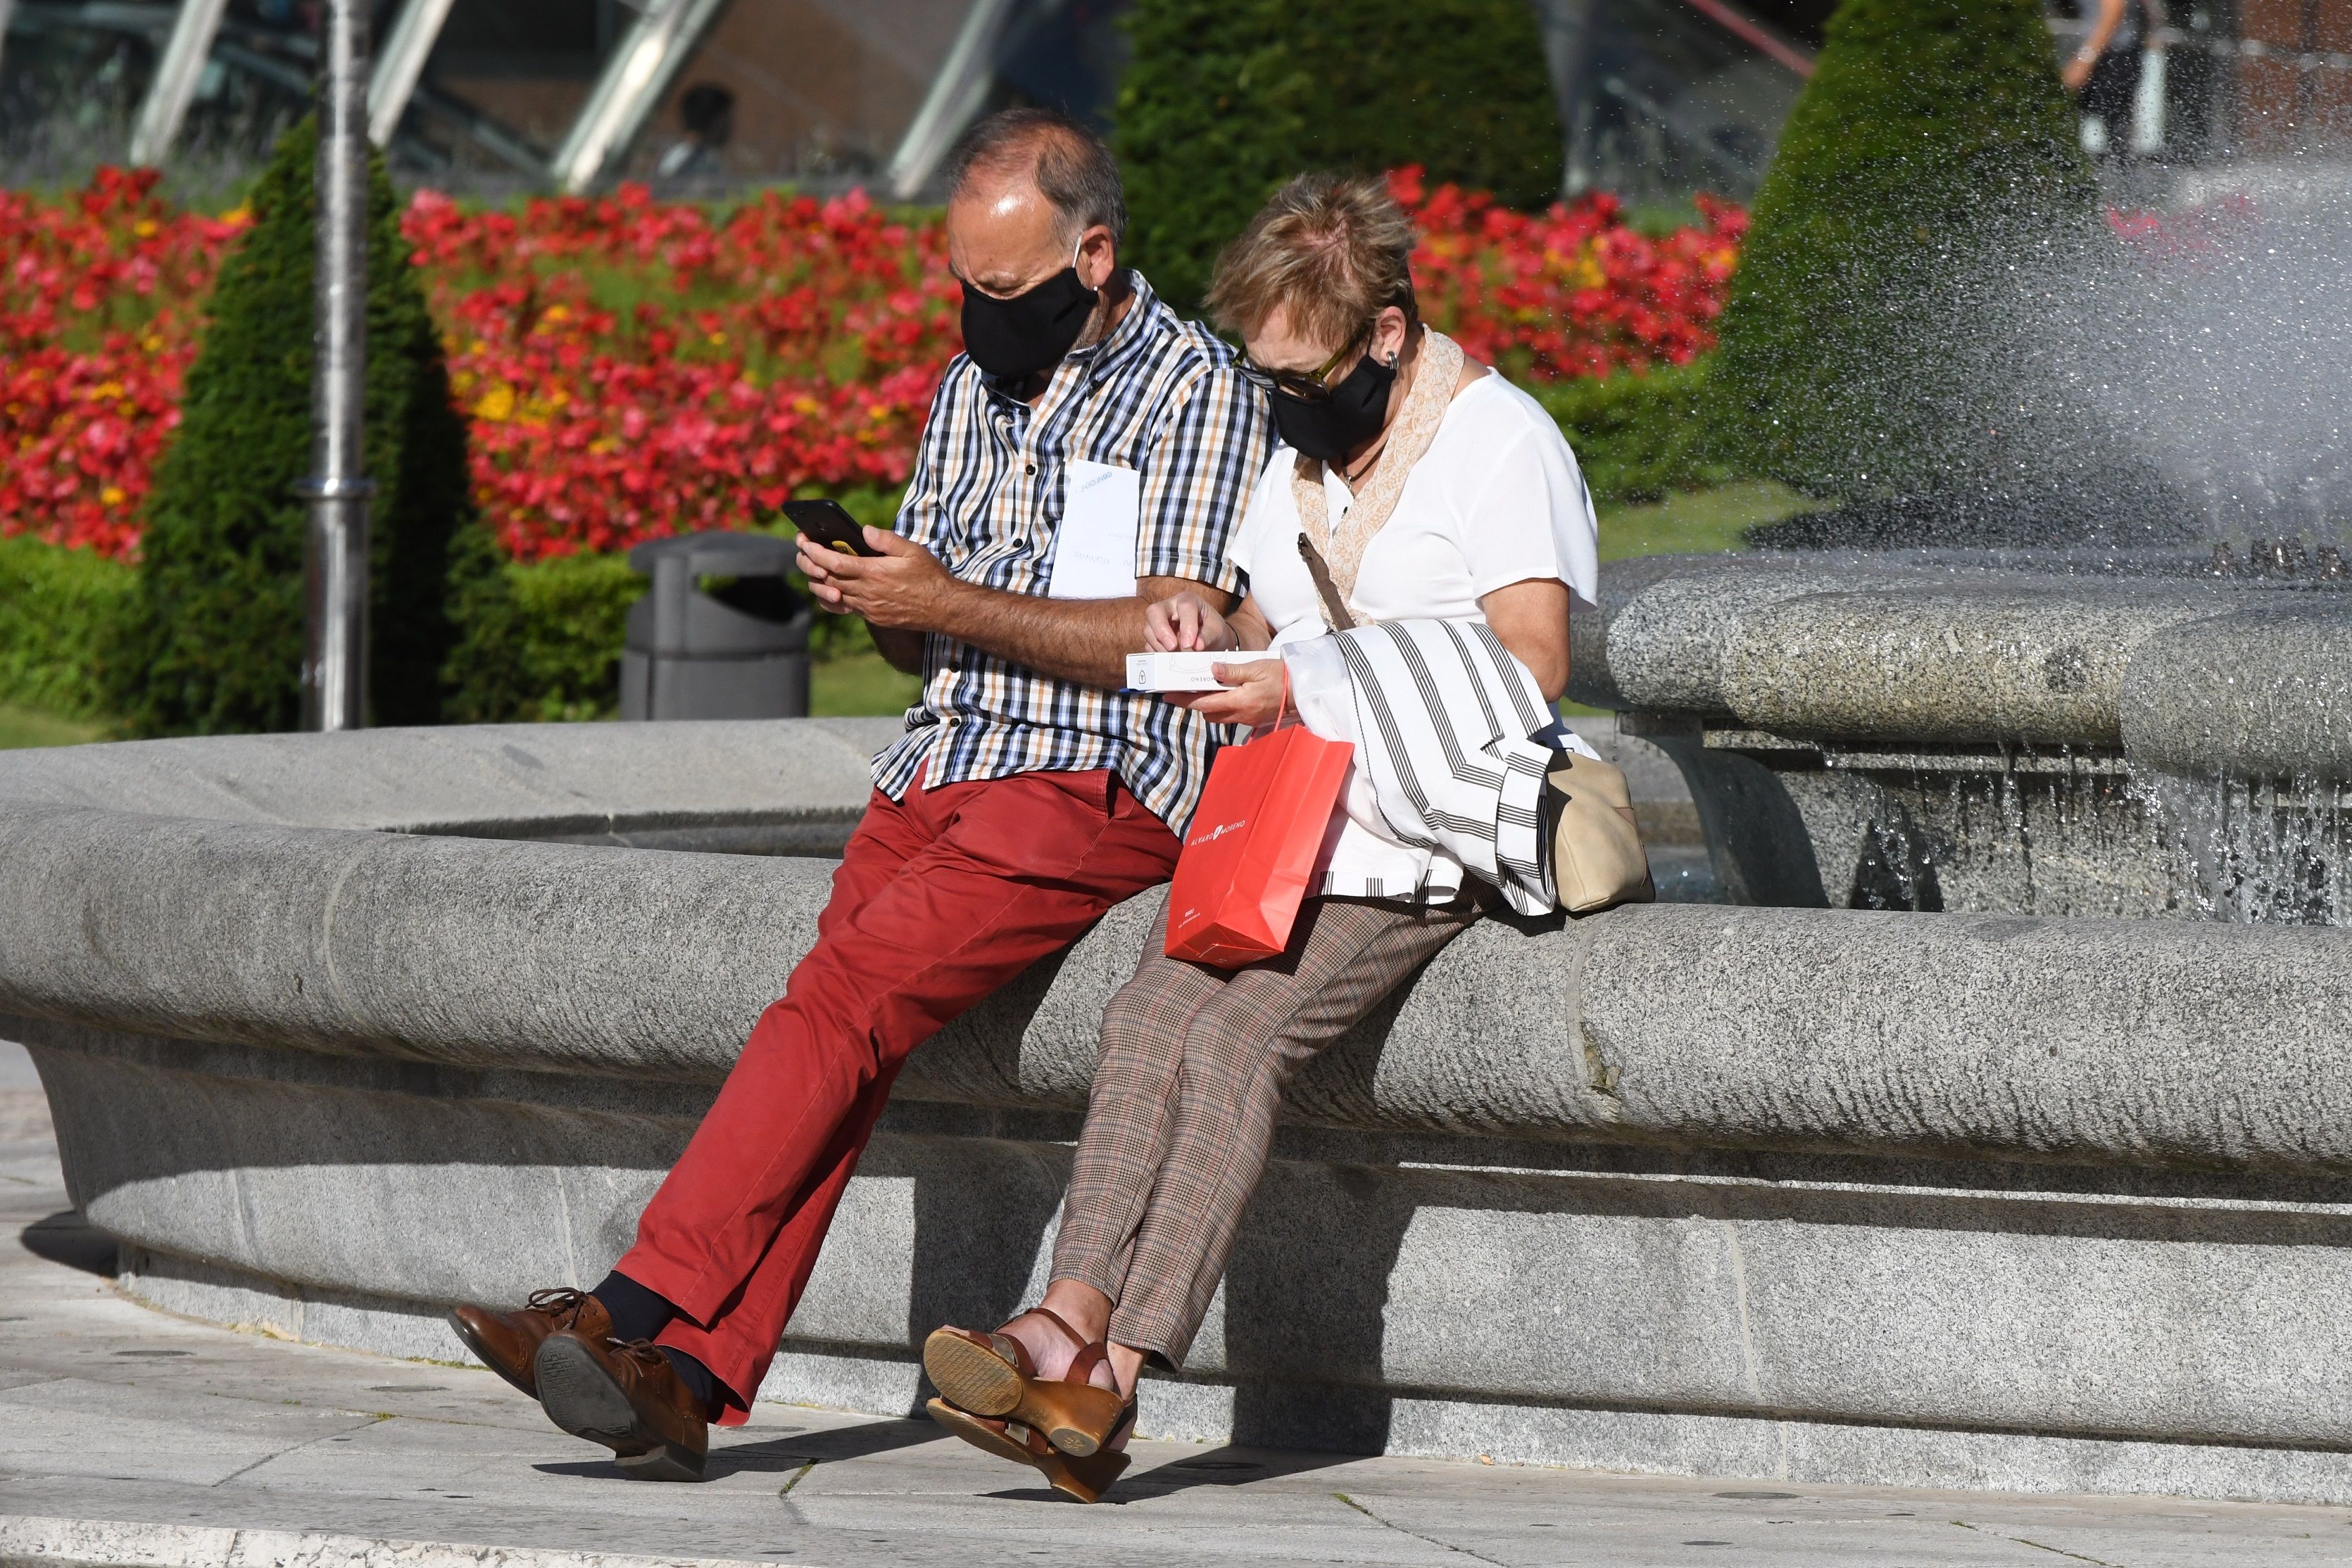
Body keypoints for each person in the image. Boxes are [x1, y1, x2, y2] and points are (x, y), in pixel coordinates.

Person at [443, 108, 1270, 1482]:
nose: (978, 313)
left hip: (1088, 772)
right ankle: (691, 1376)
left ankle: (629, 1306)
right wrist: (877, 596)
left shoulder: (1196, 390)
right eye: (962, 282)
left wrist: (945, 597)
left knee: (838, 1003)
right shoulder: (966, 384)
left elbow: (1164, 643)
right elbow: (925, 630)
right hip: (941, 755)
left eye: (1005, 289)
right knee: (849, 1041)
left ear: (1096, 251)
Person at [921, 172, 1599, 1502]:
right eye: (1265, 373)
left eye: (1305, 373)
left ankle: (1109, 1378)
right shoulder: (1293, 454)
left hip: (1426, 824)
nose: (1282, 401)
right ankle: (1059, 1317)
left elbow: (1533, 660)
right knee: (1145, 1014)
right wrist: (1203, 627)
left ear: (1387, 335)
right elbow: (1260, 620)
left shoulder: (1497, 440)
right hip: (1292, 813)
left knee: (1236, 1035)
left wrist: (1309, 681)